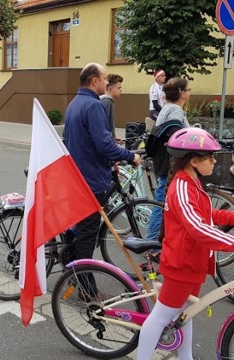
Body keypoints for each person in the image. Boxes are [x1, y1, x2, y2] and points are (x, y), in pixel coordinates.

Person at [136, 127, 234, 359]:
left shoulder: (192, 182)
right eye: (210, 157)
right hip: (182, 265)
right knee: (160, 317)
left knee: (185, 314)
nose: (214, 162)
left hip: (193, 263)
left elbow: (207, 214)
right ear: (193, 161)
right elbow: (199, 228)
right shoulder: (181, 186)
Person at [63, 63, 140, 296]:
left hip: (76, 177)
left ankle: (70, 272)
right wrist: (129, 156)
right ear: (95, 80)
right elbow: (103, 143)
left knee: (77, 232)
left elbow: (76, 140)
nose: (107, 83)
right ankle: (87, 290)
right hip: (91, 180)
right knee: (87, 237)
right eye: (105, 79)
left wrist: (109, 157)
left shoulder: (74, 104)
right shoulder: (94, 106)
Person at [145, 76, 192, 240]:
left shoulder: (167, 107)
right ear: (181, 92)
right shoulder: (175, 111)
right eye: (188, 90)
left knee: (164, 201)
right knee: (162, 202)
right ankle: (151, 242)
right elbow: (177, 138)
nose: (189, 93)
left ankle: (159, 239)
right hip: (169, 162)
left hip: (163, 161)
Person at [99, 73, 123, 142]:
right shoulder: (107, 102)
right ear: (110, 89)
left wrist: (113, 137)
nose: (121, 90)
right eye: (119, 88)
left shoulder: (105, 100)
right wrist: (111, 139)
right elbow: (105, 124)